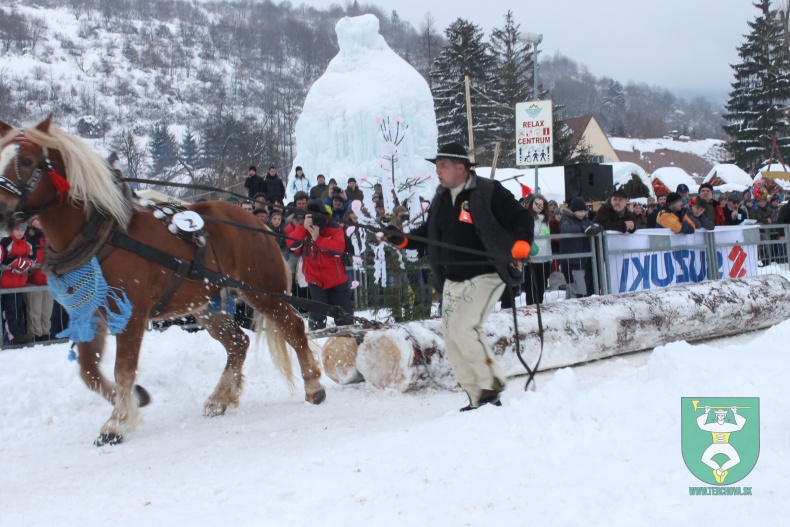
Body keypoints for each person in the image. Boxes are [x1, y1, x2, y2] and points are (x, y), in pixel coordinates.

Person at [384, 142, 534, 411]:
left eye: (443, 165)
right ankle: (478, 396)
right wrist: (402, 240)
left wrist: (521, 243)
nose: (438, 171)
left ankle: (492, 383)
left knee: (465, 327)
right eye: (437, 166)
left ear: (461, 168)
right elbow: (429, 234)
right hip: (452, 277)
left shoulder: (489, 191)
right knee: (452, 336)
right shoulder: (441, 198)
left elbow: (521, 217)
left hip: (487, 273)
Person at [286, 200, 354, 331]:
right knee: (317, 317)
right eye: (312, 217)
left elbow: (339, 249)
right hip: (315, 280)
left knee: (345, 317)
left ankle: (349, 341)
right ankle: (316, 343)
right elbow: (291, 244)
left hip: (336, 280)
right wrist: (303, 228)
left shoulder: (334, 227)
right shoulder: (304, 229)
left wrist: (318, 239)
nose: (316, 221)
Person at [559, 197, 598, 299]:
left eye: (584, 211)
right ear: (574, 210)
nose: (583, 213)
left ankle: (571, 309)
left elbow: (596, 226)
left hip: (581, 260)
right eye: (580, 211)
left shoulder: (585, 220)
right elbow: (565, 229)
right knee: (576, 290)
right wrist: (583, 229)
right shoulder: (566, 219)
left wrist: (595, 228)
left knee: (575, 290)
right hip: (569, 261)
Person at [1, 223, 33, 345]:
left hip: (21, 282)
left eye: (22, 230)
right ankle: (13, 336)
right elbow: (3, 261)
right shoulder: (6, 242)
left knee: (20, 309)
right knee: (10, 311)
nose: (20, 232)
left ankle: (21, 333)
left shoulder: (27, 243)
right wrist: (17, 263)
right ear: (11, 230)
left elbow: (32, 259)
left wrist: (23, 266)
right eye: (17, 229)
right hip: (8, 283)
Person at [24, 217, 53, 343]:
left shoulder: (48, 236)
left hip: (48, 279)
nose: (40, 221)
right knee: (35, 311)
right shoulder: (28, 237)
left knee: (46, 312)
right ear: (31, 222)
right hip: (33, 280)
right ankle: (36, 335)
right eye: (37, 219)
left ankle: (46, 334)